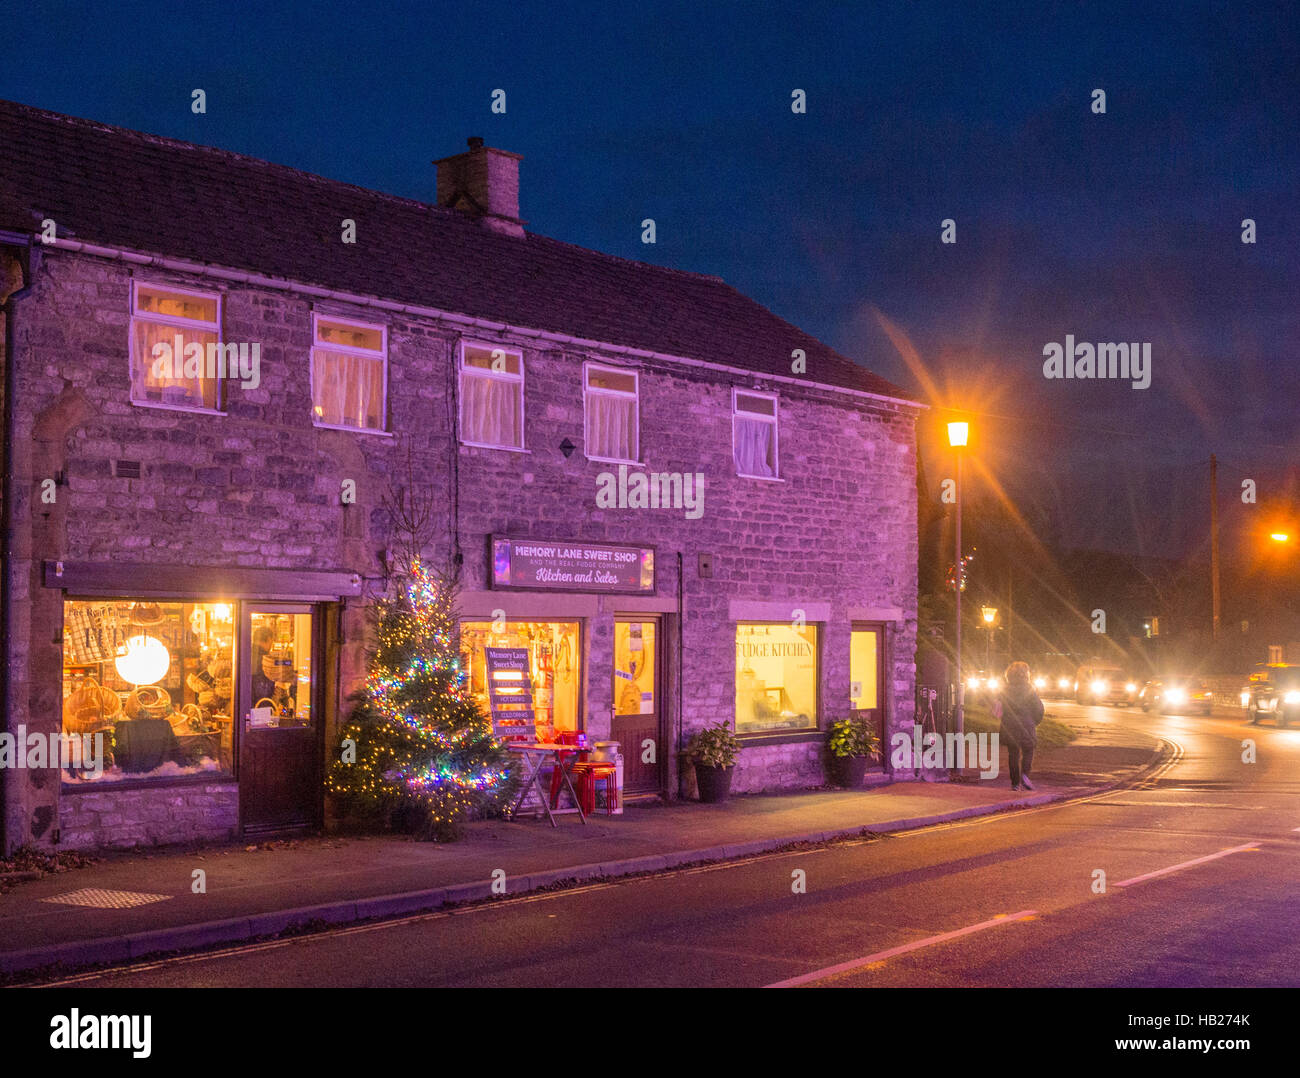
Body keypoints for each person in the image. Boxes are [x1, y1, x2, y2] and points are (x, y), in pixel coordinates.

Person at [993, 661, 1044, 791]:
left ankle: (1015, 783)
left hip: (1009, 725)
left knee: (1013, 754)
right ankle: (1025, 776)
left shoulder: (1004, 690)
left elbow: (997, 710)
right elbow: (1039, 709)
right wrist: (1034, 721)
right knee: (1028, 750)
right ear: (1026, 674)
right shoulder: (1030, 689)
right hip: (1026, 724)